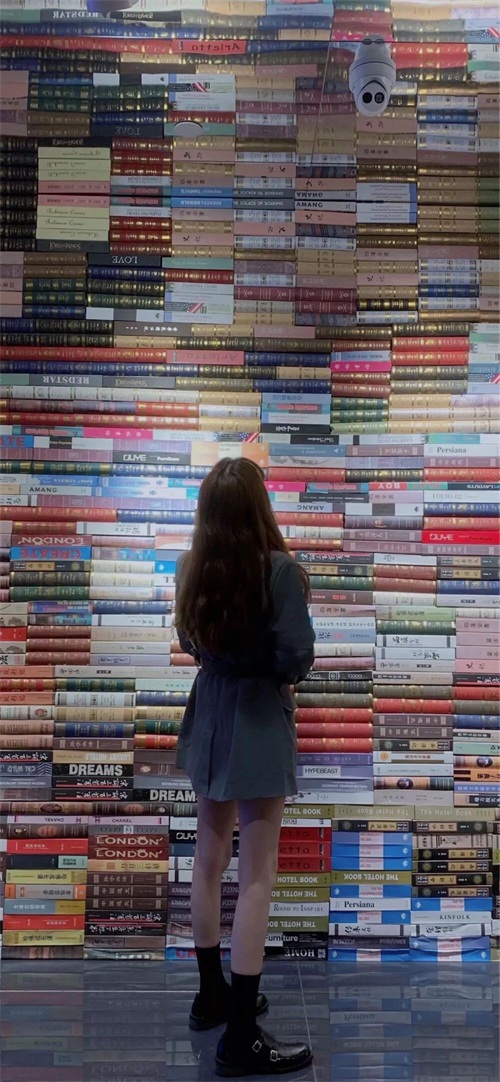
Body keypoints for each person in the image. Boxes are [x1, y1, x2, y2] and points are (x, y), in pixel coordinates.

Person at [175, 457, 316, 1078]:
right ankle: (240, 1038)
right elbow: (297, 654)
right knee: (258, 873)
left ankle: (212, 995)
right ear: (261, 507)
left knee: (208, 861)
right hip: (258, 717)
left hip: (210, 713)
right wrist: (274, 675)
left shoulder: (192, 566)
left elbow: (189, 641)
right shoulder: (279, 570)